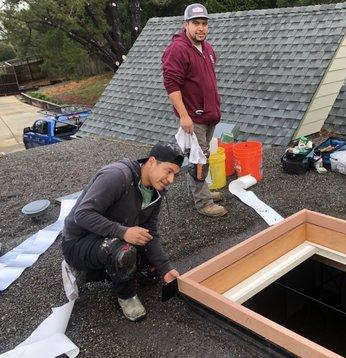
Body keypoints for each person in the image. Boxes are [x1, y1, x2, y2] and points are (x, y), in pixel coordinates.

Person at [61, 143, 184, 322]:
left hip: (112, 234)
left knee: (151, 273)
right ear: (152, 161)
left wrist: (165, 268)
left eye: (175, 174)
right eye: (168, 171)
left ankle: (108, 270)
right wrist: (123, 232)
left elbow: (150, 232)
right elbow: (82, 214)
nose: (170, 179)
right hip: (79, 242)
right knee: (123, 252)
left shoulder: (156, 191)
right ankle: (126, 296)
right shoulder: (117, 176)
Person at [161, 3, 227, 217]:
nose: (201, 28)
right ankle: (203, 202)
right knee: (199, 159)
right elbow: (172, 85)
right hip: (193, 117)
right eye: (196, 23)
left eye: (204, 24)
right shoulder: (177, 49)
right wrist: (184, 116)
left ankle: (201, 191)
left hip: (209, 115)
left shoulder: (207, 48)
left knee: (203, 155)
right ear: (185, 24)